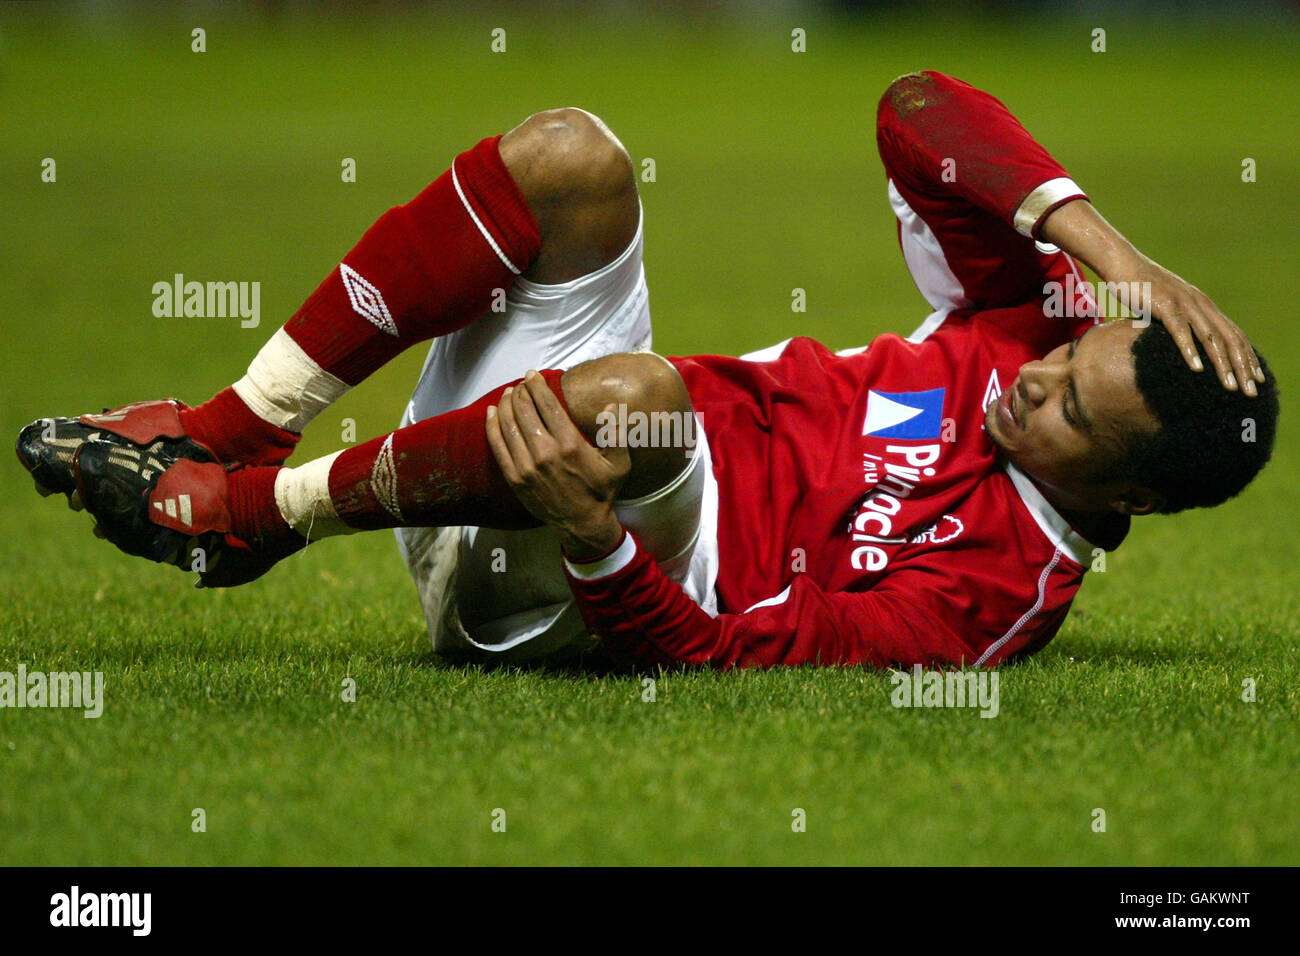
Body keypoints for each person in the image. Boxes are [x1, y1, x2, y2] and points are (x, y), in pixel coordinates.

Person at [17, 71, 1277, 670]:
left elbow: (723, 653)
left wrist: (594, 541)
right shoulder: (1031, 328)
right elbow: (915, 108)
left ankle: (250, 516)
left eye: (1063, 408)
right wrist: (1102, 247)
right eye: (1069, 352)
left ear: (1138, 500)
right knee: (572, 156)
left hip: (567, 570)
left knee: (642, 405)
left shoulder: (992, 599)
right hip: (550, 425)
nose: (1032, 380)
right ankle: (239, 425)